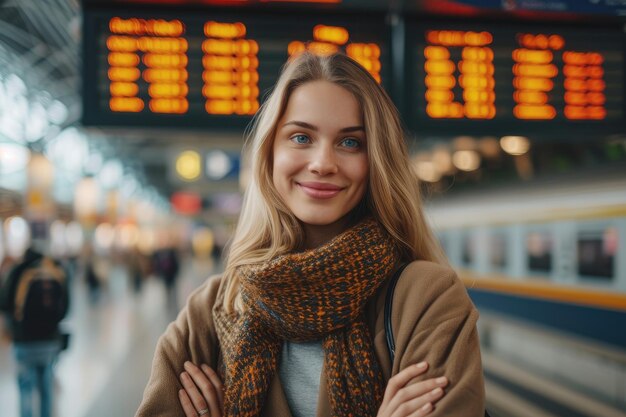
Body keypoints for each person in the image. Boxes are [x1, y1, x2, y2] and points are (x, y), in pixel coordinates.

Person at [136, 51, 485, 417]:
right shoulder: (209, 311)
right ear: (269, 152)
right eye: (301, 137)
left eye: (350, 142)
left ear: (377, 161)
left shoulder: (427, 299)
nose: (322, 163)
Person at [0, 245, 70, 417]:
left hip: (24, 341)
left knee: (26, 388)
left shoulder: (18, 271)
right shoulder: (54, 271)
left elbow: (4, 302)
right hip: (50, 340)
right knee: (46, 387)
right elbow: (66, 307)